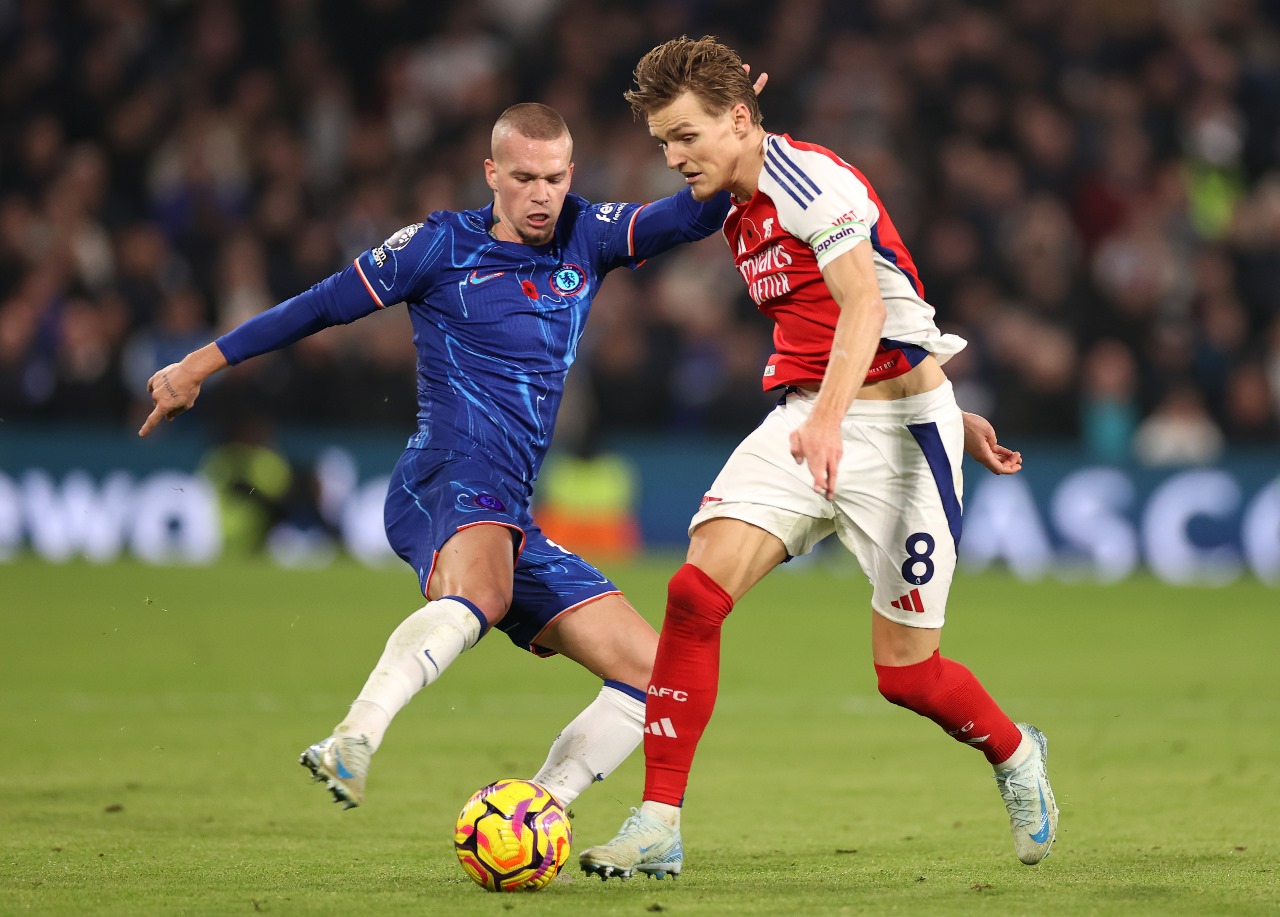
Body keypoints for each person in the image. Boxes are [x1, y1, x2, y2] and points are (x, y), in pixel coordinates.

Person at [138, 101, 740, 813]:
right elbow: (320, 305)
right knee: (480, 595)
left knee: (654, 670)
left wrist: (736, 135)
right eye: (523, 177)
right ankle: (353, 736)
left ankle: (534, 812)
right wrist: (200, 364)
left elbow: (697, 214)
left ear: (570, 173)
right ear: (492, 173)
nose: (541, 194)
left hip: (510, 510)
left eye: (553, 177)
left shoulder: (590, 233)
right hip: (446, 474)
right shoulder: (437, 246)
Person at [579, 36, 1057, 880]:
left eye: (686, 135)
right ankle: (658, 823)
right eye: (663, 142)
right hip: (810, 418)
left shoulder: (811, 180)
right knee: (694, 594)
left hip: (898, 440)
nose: (673, 156)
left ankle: (1019, 755)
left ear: (736, 120)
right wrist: (852, 412)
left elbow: (865, 303)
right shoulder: (729, 190)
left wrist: (890, 415)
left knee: (906, 676)